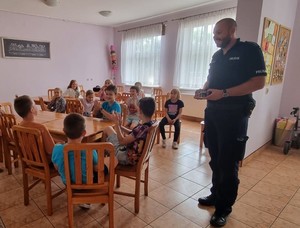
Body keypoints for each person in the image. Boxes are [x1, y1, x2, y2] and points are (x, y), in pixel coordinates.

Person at [195, 18, 266, 227]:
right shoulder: (217, 56)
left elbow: (259, 82)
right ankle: (215, 195)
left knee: (228, 162)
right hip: (213, 113)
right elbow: (211, 80)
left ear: (232, 30)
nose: (215, 36)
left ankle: (224, 207)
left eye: (219, 32)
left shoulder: (249, 50)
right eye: (214, 33)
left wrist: (224, 94)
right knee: (215, 159)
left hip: (235, 116)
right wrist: (204, 90)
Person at [51, 113, 118, 209]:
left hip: (69, 183)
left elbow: (56, 167)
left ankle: (83, 200)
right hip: (89, 183)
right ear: (84, 133)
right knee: (113, 159)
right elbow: (96, 168)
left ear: (64, 131)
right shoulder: (90, 150)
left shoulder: (57, 149)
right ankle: (104, 192)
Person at [102, 97, 155, 165]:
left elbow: (122, 141)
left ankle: (103, 163)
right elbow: (132, 133)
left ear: (140, 111)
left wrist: (117, 124)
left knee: (107, 130)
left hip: (126, 157)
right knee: (108, 129)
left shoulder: (141, 128)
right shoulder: (150, 124)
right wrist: (120, 126)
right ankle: (106, 159)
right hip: (134, 156)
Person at [14, 95, 55, 163]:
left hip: (29, 160)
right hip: (45, 162)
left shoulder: (18, 127)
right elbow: (51, 150)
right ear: (32, 109)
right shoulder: (41, 128)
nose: (36, 107)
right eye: (35, 105)